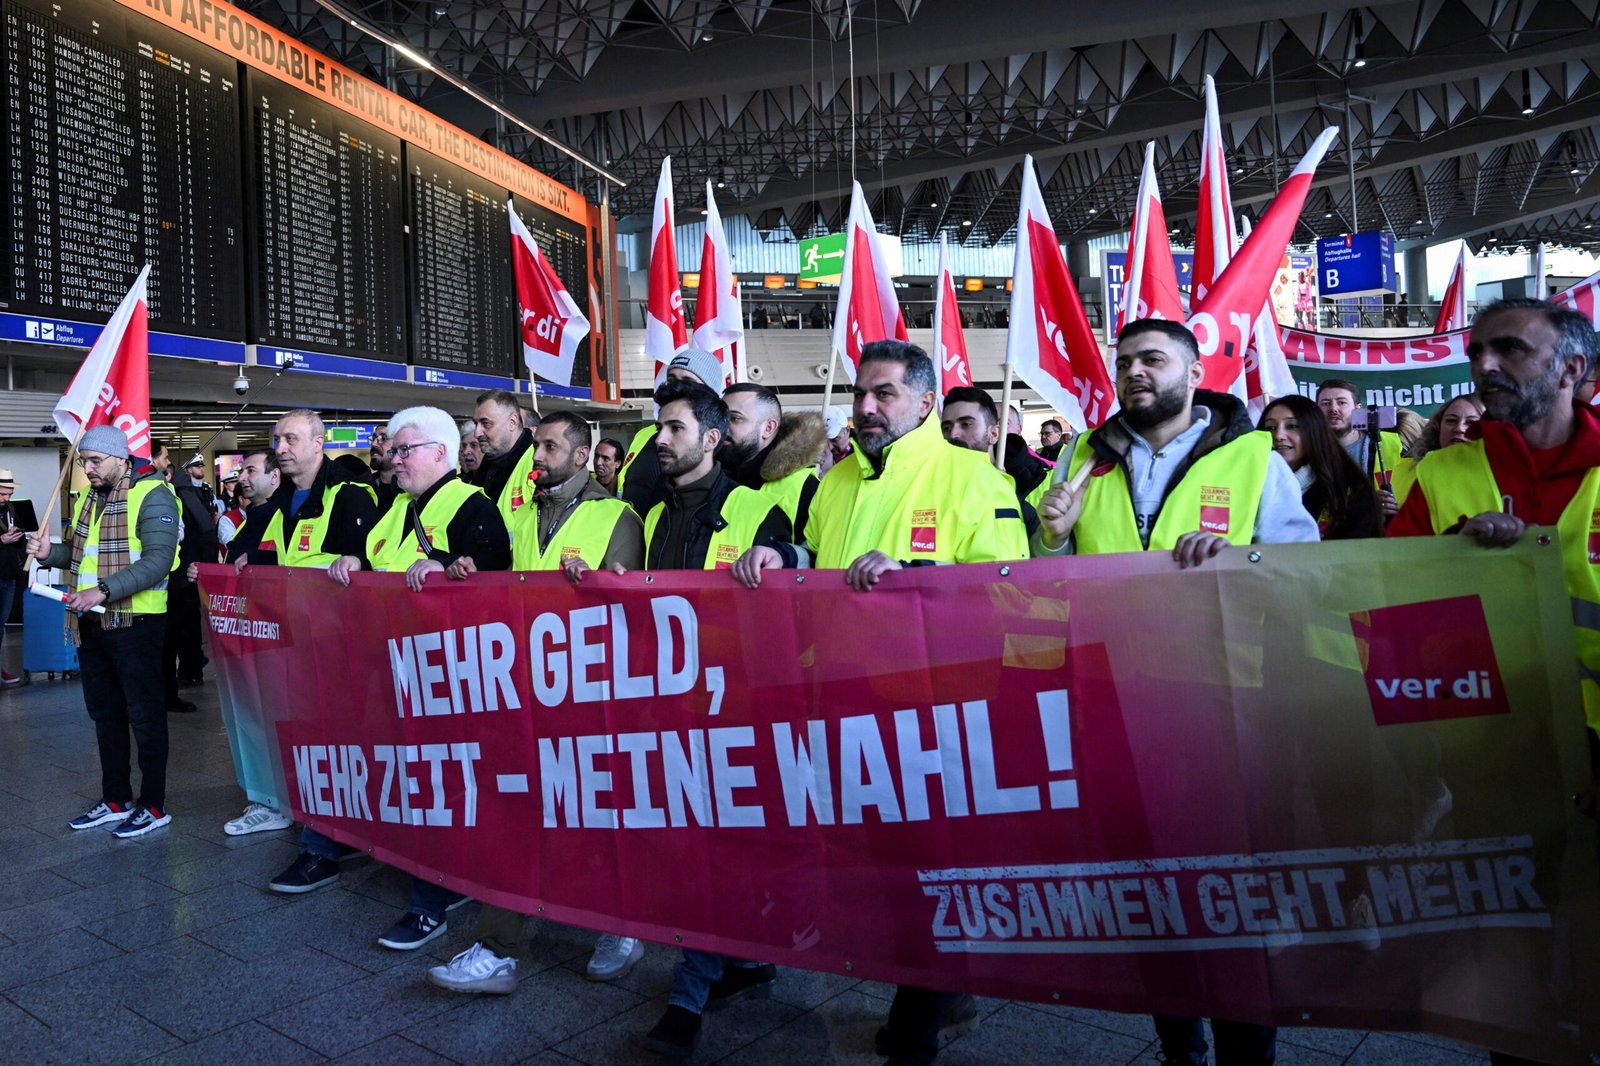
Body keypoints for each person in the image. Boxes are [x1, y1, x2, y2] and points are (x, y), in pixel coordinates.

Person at [1033, 318, 1318, 1066]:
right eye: (1125, 361)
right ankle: (1178, 1046)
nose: (1134, 373)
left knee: (1233, 898)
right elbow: (1039, 584)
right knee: (1150, 893)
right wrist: (1053, 537)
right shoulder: (1079, 457)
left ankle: (1246, 1049)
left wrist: (1240, 559)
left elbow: (1304, 573)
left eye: (1152, 360)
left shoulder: (1256, 458)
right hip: (1115, 709)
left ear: (1194, 373)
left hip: (1224, 712)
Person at [743, 340, 1026, 1066]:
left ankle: (917, 1025)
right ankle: (942, 988)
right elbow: (818, 558)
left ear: (927, 402)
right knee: (877, 864)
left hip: (935, 711)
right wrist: (785, 559)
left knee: (923, 868)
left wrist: (915, 577)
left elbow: (1009, 592)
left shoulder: (973, 478)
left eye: (885, 395)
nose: (866, 407)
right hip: (846, 701)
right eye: (862, 394)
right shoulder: (835, 481)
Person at [573, 379, 792, 1061]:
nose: (657, 442)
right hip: (673, 711)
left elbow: (793, 585)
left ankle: (689, 996)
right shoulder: (658, 517)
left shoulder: (758, 510)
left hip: (737, 713)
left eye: (672, 429)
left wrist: (780, 560)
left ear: (712, 439)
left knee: (716, 854)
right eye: (657, 430)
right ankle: (735, 963)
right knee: (703, 853)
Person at [427, 410, 643, 994]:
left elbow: (629, 611)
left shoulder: (617, 516)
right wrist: (466, 571)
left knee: (598, 817)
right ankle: (499, 948)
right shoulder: (515, 515)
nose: (537, 457)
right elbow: (494, 590)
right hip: (520, 691)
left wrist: (596, 584)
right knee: (516, 815)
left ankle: (621, 922)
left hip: (588, 696)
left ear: (580, 456)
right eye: (537, 446)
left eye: (549, 447)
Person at [1388, 298, 1600, 832]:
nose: (1484, 366)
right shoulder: (1439, 473)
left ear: (1571, 369)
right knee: (1518, 902)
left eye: (1509, 349)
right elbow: (1392, 599)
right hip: (1487, 737)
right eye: (1477, 352)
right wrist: (1456, 559)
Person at [324, 406, 510, 950]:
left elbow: (496, 578)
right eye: (393, 449)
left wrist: (449, 569)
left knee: (440, 789)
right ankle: (438, 881)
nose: (393, 459)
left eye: (404, 450)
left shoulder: (471, 506)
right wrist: (354, 563)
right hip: (395, 670)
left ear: (440, 453)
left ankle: (433, 903)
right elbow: (375, 557)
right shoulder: (397, 508)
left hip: (446, 678)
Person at [27, 426, 180, 838]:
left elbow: (159, 560)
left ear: (119, 458)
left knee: (145, 717)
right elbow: (80, 555)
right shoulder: (90, 499)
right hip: (93, 621)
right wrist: (49, 553)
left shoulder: (153, 495)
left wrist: (104, 590)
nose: (88, 468)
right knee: (105, 713)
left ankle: (153, 804)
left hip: (137, 622)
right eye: (84, 461)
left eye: (95, 461)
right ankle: (115, 798)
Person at [256, 410, 381, 892]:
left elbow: (371, 565)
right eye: (277, 439)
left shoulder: (350, 495)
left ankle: (321, 849)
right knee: (313, 745)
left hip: (342, 644)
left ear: (318, 442)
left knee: (331, 747)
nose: (281, 447)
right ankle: (334, 834)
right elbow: (268, 560)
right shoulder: (279, 502)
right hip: (297, 644)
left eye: (290, 438)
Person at [616, 346, 725, 516]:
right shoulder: (644, 435)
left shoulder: (724, 445)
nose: (677, 388)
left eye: (688, 382)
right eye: (671, 379)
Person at [1259, 396, 1383, 540]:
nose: (1279, 435)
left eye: (1292, 426)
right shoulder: (1248, 484)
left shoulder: (1352, 488)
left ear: (1315, 431)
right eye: (1270, 428)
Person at [940, 385, 1042, 538]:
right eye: (946, 427)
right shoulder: (928, 486)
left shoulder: (1026, 488)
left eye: (966, 424)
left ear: (993, 434)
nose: (953, 434)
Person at [720, 382, 823, 534]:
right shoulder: (706, 474)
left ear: (768, 428)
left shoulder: (807, 489)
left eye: (735, 418)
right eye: (721, 418)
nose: (722, 427)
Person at [163, 449, 218, 708]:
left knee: (179, 628)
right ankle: (191, 669)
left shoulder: (179, 495)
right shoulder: (190, 493)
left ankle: (189, 671)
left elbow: (206, 530)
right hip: (187, 572)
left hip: (181, 573)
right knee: (188, 625)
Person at [1315, 379, 1402, 517]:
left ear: (1358, 409)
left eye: (1341, 402)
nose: (1333, 409)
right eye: (1325, 403)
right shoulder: (1307, 451)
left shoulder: (1392, 444)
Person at [1391, 393, 1484, 503]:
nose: (1459, 428)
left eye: (1470, 422)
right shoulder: (1409, 469)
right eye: (1451, 420)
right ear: (1438, 427)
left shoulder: (1500, 472)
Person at [473, 389, 536, 520]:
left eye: (486, 423)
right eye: (476, 424)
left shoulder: (538, 464)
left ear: (512, 423)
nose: (477, 433)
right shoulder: (486, 466)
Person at [0, 470, 36, 687]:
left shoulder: (11, 509)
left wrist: (21, 538)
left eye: (9, 494)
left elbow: (18, 539)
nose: (6, 499)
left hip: (9, 574)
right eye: (2, 494)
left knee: (1, 625)